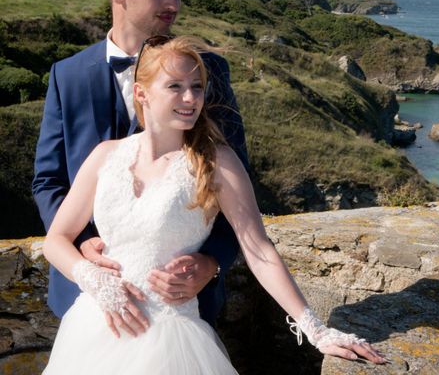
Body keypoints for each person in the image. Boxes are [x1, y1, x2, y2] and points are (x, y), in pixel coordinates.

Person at [42, 36, 385, 373]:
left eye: (197, 86)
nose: (190, 97)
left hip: (169, 340)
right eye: (175, 86)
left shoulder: (216, 161)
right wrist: (93, 279)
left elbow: (258, 249)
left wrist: (315, 329)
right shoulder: (105, 155)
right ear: (141, 93)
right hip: (95, 326)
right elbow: (56, 240)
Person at [32, 0, 246, 335]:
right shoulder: (67, 75)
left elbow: (235, 178)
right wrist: (78, 246)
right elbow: (48, 180)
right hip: (87, 300)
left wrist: (212, 262)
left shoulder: (208, 71)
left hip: (179, 301)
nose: (174, 5)